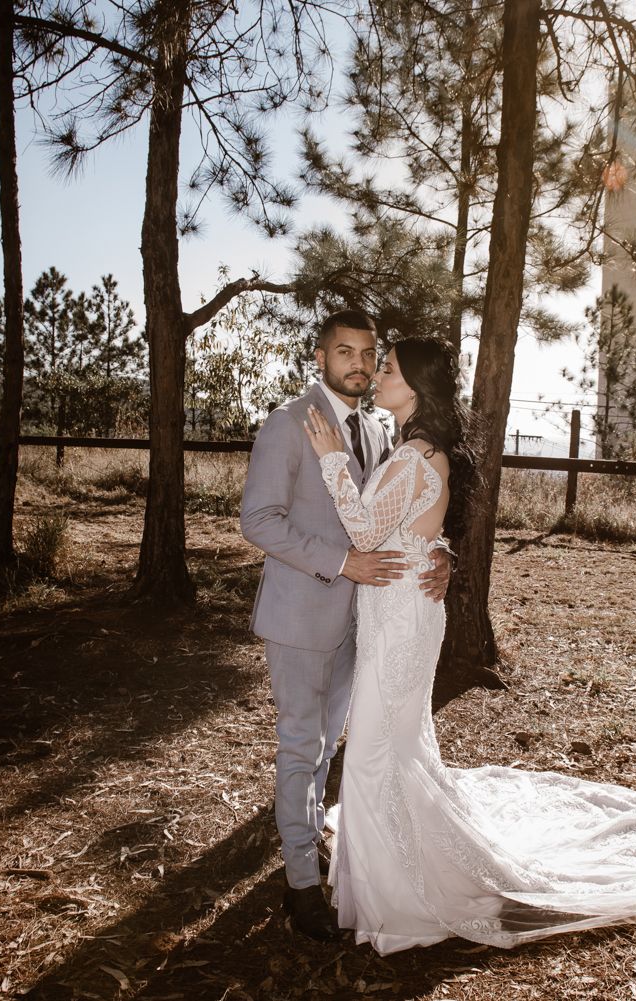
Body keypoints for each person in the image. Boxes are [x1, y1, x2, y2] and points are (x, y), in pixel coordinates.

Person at [303, 334, 636, 955]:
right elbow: (417, 527)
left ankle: (402, 893)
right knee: (392, 744)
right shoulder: (414, 448)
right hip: (401, 609)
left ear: (415, 385)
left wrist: (331, 461)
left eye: (388, 367)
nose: (377, 373)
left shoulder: (416, 455)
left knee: (374, 750)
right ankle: (391, 870)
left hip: (403, 617)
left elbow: (363, 530)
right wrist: (437, 550)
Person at [240, 309, 452, 943]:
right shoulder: (288, 423)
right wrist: (341, 562)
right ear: (320, 356)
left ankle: (314, 845)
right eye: (344, 352)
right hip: (302, 616)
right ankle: (302, 883)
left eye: (369, 354)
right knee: (301, 748)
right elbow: (259, 520)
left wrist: (440, 551)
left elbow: (404, 511)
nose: (359, 365)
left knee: (332, 747)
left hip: (369, 623)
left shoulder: (383, 428)